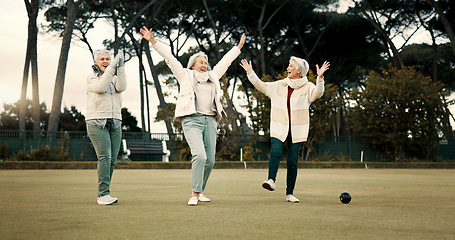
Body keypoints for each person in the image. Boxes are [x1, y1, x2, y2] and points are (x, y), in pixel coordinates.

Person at [140, 26, 246, 206]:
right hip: (191, 120)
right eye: (200, 62)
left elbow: (225, 62)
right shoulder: (185, 75)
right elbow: (170, 58)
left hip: (211, 120)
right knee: (200, 156)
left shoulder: (213, 76)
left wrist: (238, 47)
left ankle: (200, 189)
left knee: (211, 160)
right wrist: (153, 41)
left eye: (205, 62)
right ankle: (195, 193)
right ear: (193, 65)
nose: (204, 65)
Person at [240, 57, 330, 203]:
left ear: (299, 70)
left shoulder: (308, 87)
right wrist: (250, 72)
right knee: (275, 151)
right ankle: (271, 180)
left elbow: (318, 94)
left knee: (292, 161)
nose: (288, 68)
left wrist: (320, 78)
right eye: (289, 65)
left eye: (291, 66)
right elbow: (261, 86)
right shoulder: (279, 85)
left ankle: (289, 194)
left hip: (297, 129)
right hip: (279, 125)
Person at [86, 50, 127, 205]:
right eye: (102, 59)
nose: (105, 61)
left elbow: (122, 87)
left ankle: (105, 193)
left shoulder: (115, 78)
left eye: (108, 59)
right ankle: (103, 194)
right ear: (96, 62)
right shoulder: (90, 78)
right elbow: (100, 88)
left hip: (115, 121)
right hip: (96, 121)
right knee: (105, 156)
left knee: (112, 160)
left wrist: (121, 66)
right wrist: (112, 68)